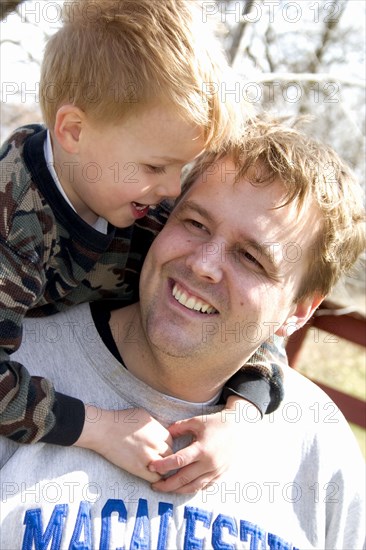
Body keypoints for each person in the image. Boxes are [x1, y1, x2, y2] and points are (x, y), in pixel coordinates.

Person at [1, 116, 364, 549]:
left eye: (251, 257)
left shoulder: (317, 448)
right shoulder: (23, 365)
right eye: (195, 224)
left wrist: (244, 414)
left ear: (300, 310)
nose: (202, 264)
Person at [0, 0, 286, 489]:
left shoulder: (141, 199)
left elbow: (254, 309)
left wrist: (241, 418)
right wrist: (101, 428)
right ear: (73, 131)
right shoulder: (14, 219)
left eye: (182, 168)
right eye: (157, 167)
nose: (173, 191)